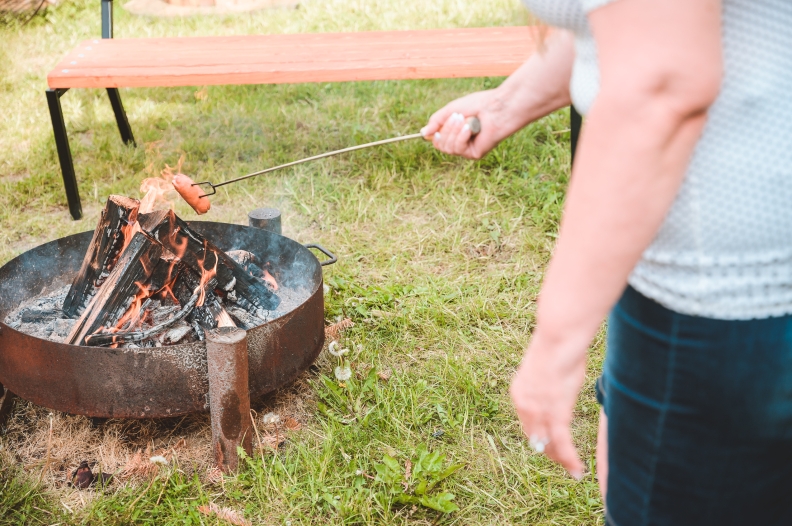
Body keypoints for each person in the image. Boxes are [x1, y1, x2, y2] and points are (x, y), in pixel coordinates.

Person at [423, 0, 792, 524]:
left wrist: (557, 340)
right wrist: (507, 103)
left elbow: (662, 79)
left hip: (726, 295)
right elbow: (630, 23)